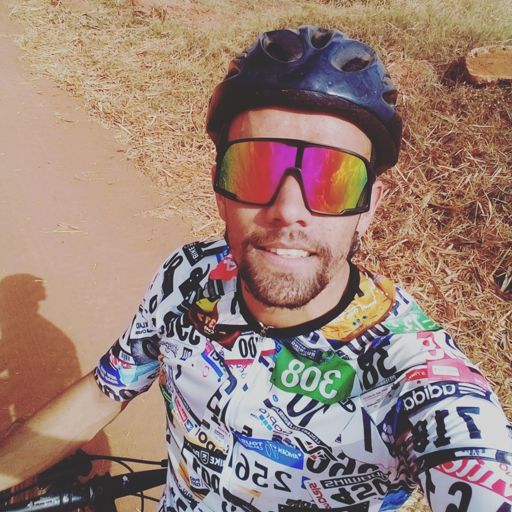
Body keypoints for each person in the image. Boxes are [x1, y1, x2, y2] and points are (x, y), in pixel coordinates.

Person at [1, 25, 511, 512]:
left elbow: (474, 459)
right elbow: (106, 388)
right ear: (220, 191)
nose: (288, 211)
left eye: (332, 178)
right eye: (256, 168)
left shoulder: (414, 376)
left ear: (369, 207)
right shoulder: (187, 278)